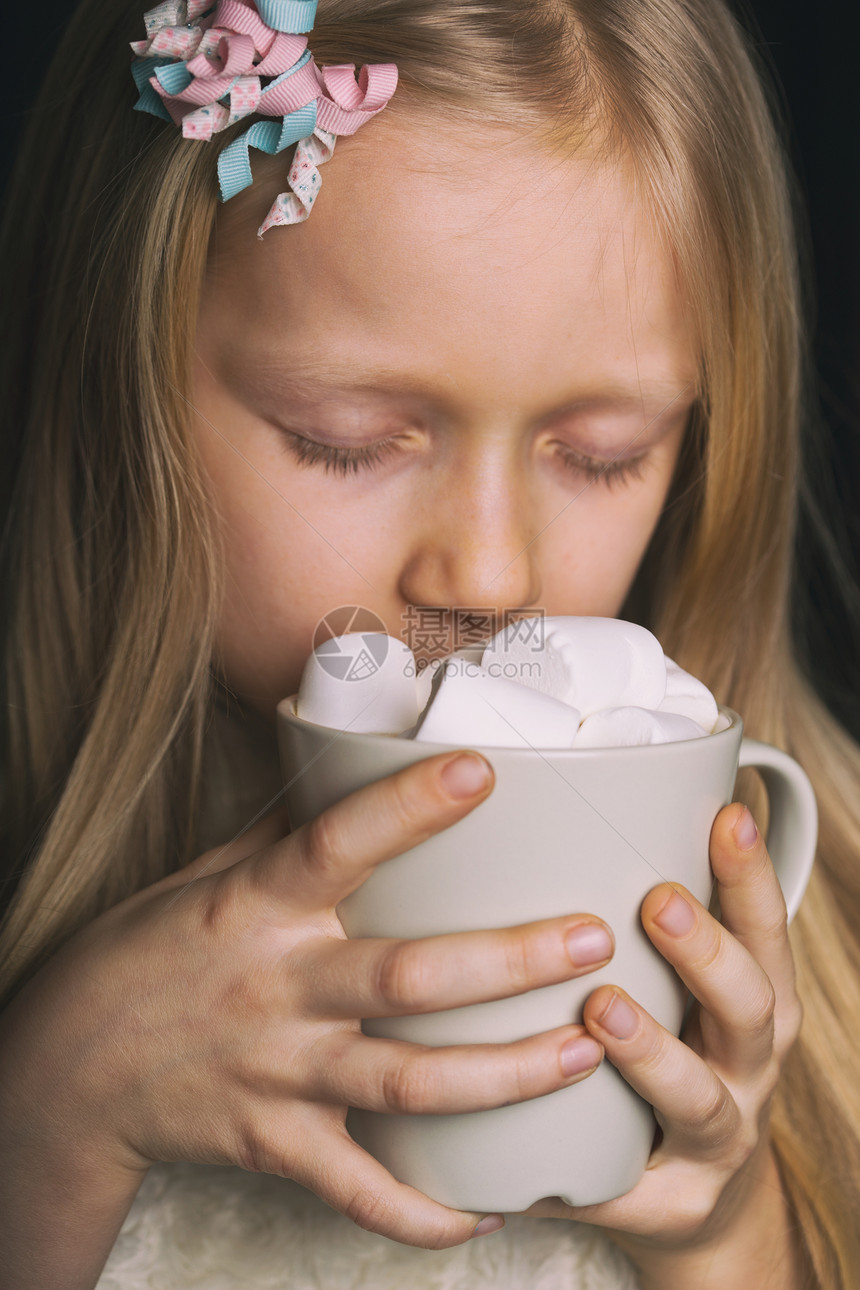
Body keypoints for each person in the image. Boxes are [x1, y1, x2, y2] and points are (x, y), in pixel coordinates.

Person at [1, 1, 858, 1286]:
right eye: (344, 437)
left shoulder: (827, 909)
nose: (489, 576)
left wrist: (717, 1222)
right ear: (117, 389)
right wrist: (45, 1119)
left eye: (599, 455)